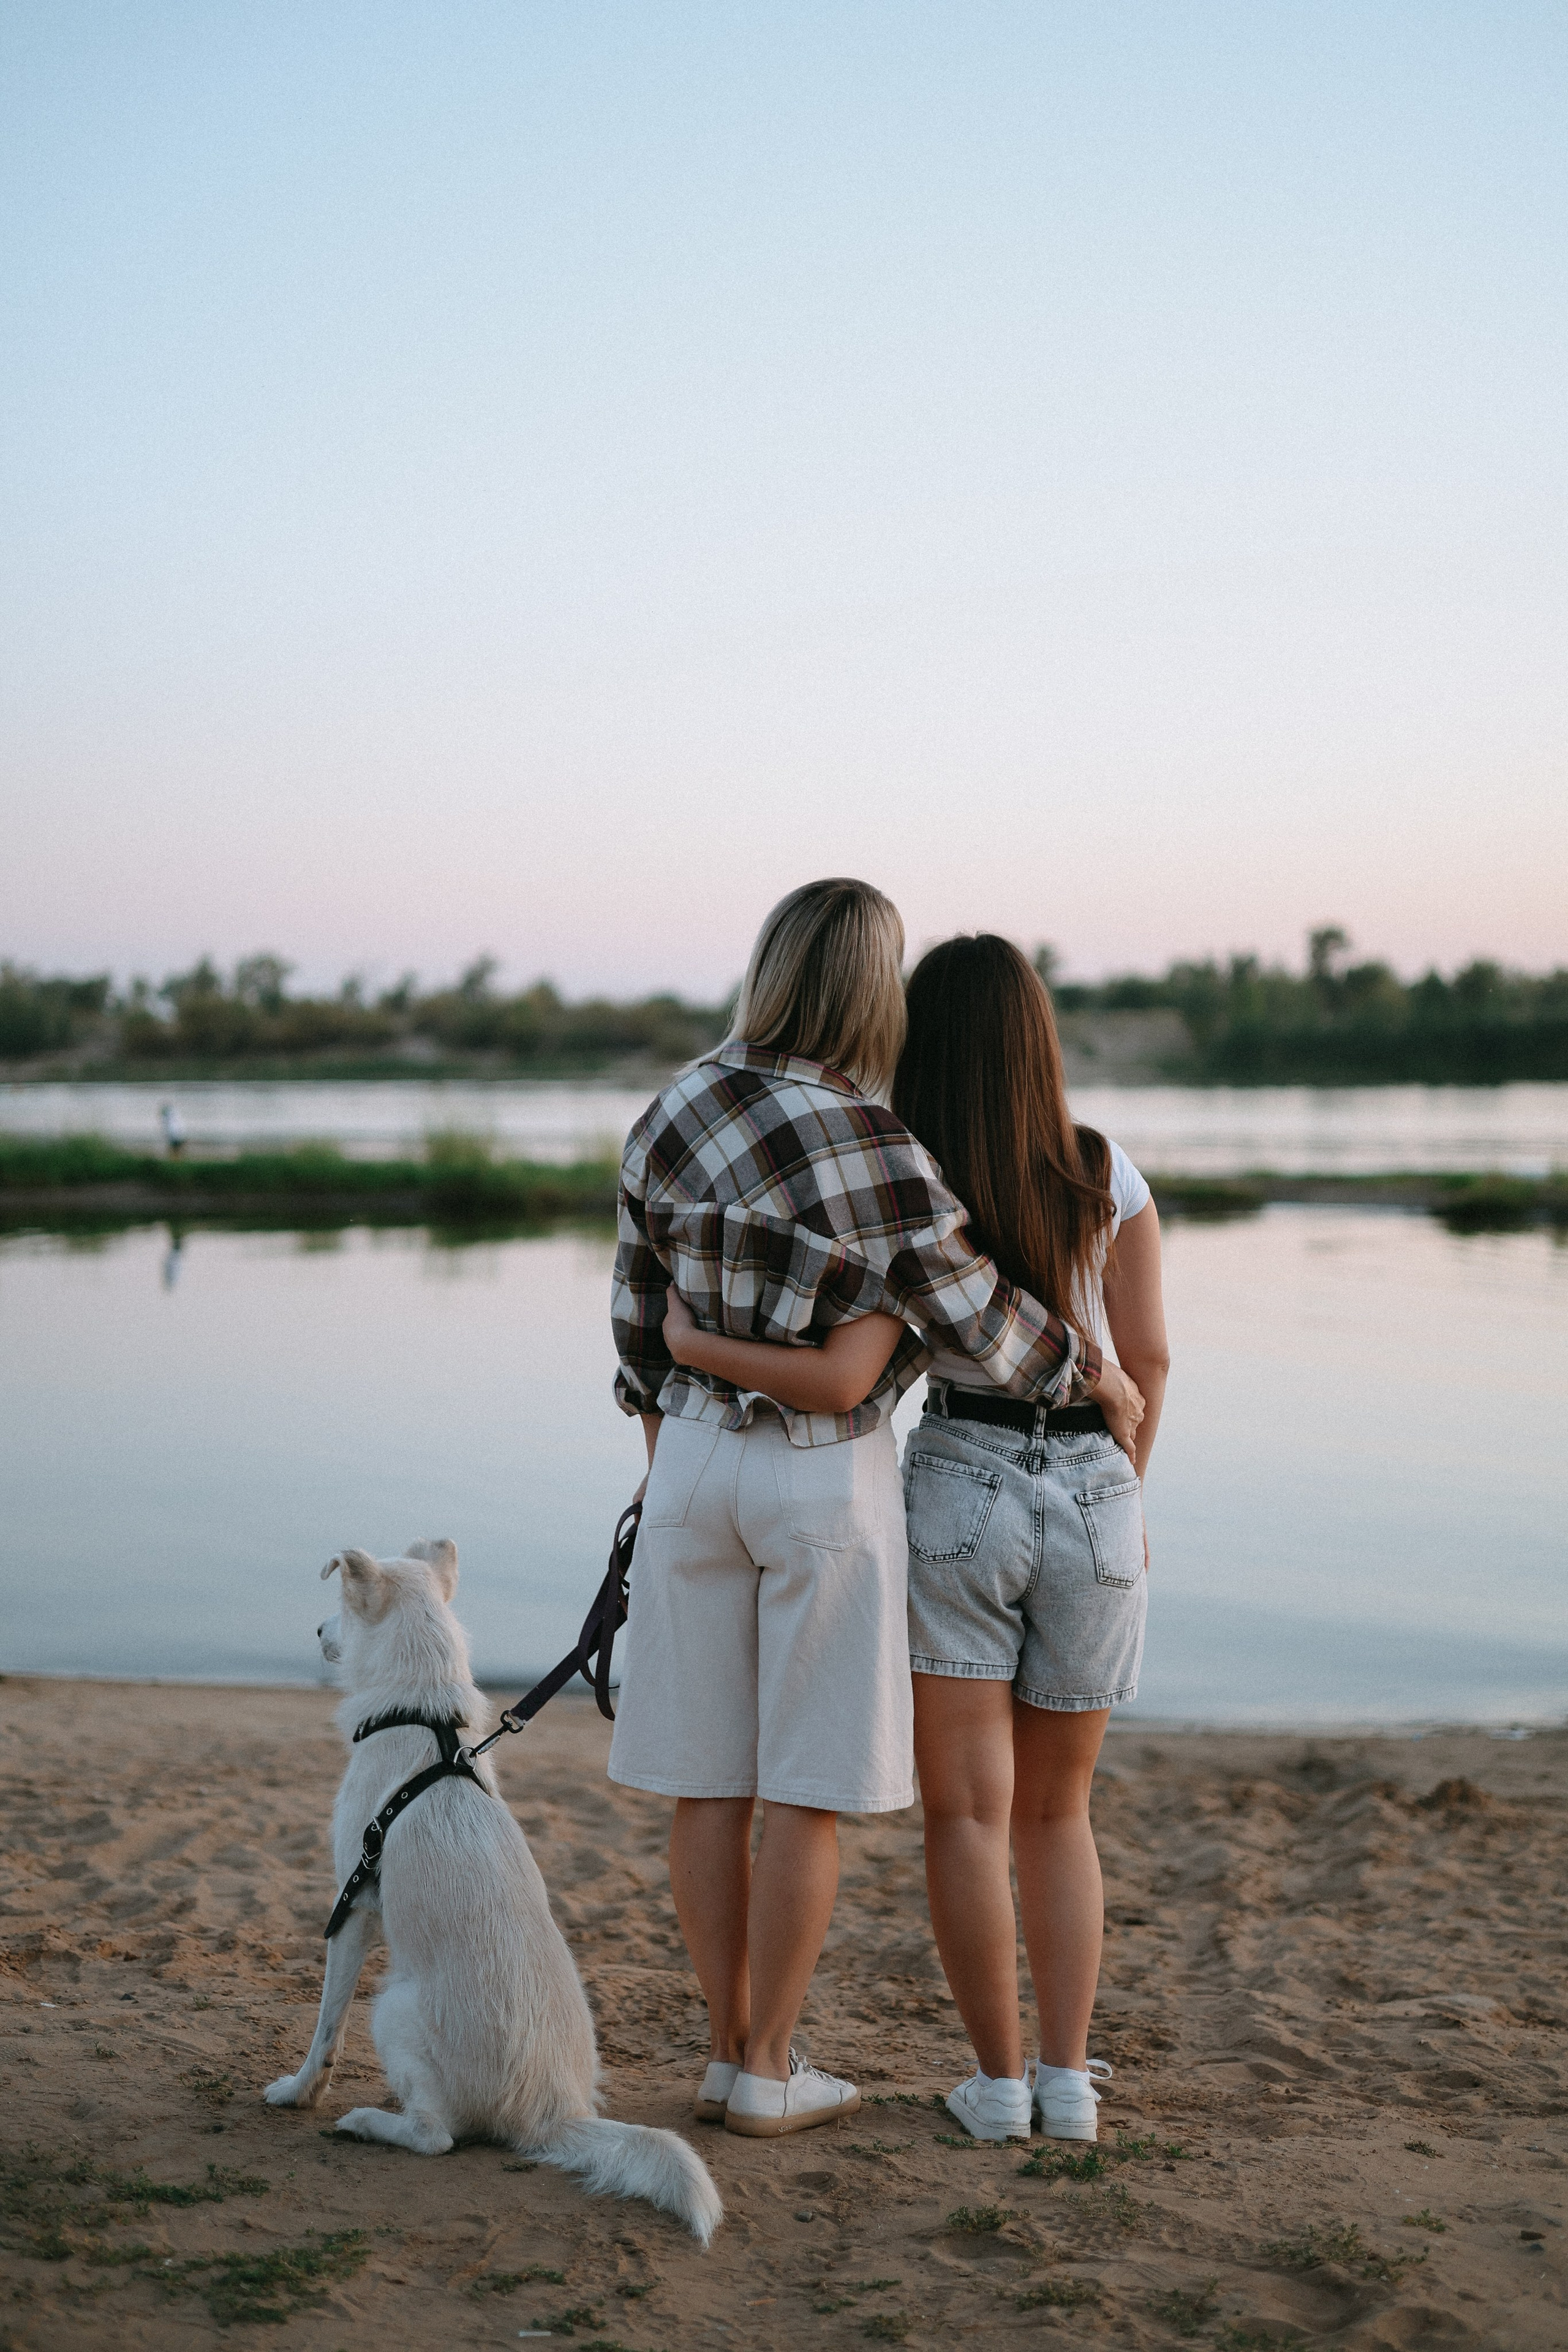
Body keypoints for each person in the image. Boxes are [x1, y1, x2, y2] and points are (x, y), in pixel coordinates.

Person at [609, 884, 1145, 2141]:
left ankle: (722, 2044)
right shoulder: (873, 1144)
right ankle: (770, 2067)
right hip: (820, 1471)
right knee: (802, 1786)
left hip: (684, 1460)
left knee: (704, 1779)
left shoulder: (667, 1110)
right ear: (866, 994)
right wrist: (1099, 1378)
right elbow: (981, 1319)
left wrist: (678, 1457)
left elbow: (637, 1330)